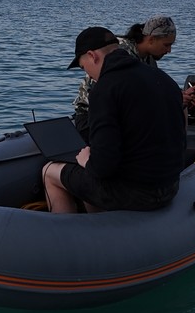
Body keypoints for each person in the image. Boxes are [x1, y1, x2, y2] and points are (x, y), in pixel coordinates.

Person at [43, 26, 186, 213]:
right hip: (169, 187)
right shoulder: (163, 78)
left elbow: (102, 168)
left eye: (83, 67)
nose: (87, 74)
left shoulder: (104, 89)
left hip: (136, 194)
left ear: (92, 56)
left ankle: (67, 237)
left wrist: (86, 160)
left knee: (49, 172)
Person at [71, 16, 195, 140]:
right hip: (92, 116)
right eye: (166, 45)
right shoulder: (122, 54)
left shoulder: (148, 59)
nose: (169, 50)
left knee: (179, 106)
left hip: (122, 112)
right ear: (151, 39)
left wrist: (177, 97)